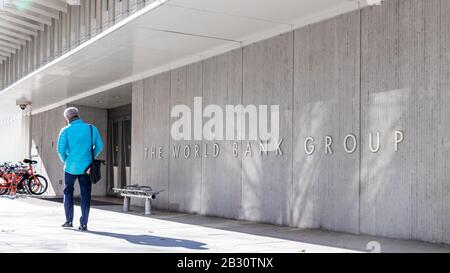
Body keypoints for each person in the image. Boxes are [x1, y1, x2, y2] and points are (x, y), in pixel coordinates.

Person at [57, 107, 103, 231]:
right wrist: (91, 156)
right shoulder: (91, 128)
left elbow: (60, 150)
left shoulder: (65, 130)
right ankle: (83, 224)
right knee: (86, 195)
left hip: (70, 168)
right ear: (78, 115)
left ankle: (68, 221)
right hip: (86, 168)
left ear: (67, 118)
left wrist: (66, 160)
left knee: (68, 193)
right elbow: (99, 146)